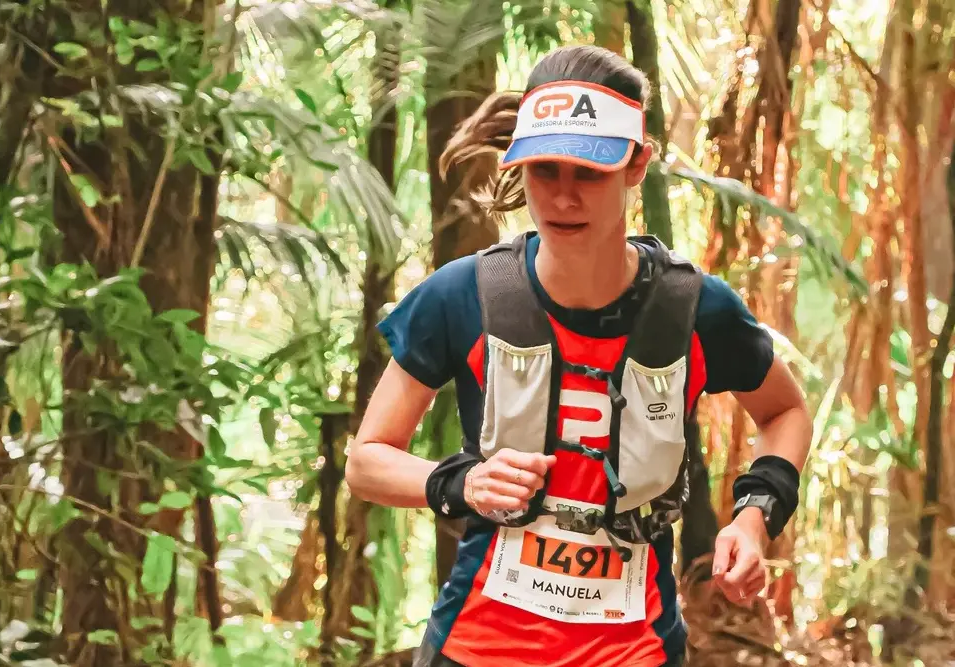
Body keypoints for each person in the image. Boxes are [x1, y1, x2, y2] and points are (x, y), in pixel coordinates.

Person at [345, 44, 812, 667]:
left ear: (636, 165)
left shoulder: (694, 310)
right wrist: (460, 482)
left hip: (635, 650)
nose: (563, 197)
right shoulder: (464, 297)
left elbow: (785, 411)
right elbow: (366, 462)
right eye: (545, 170)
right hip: (476, 648)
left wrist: (754, 516)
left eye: (589, 172)